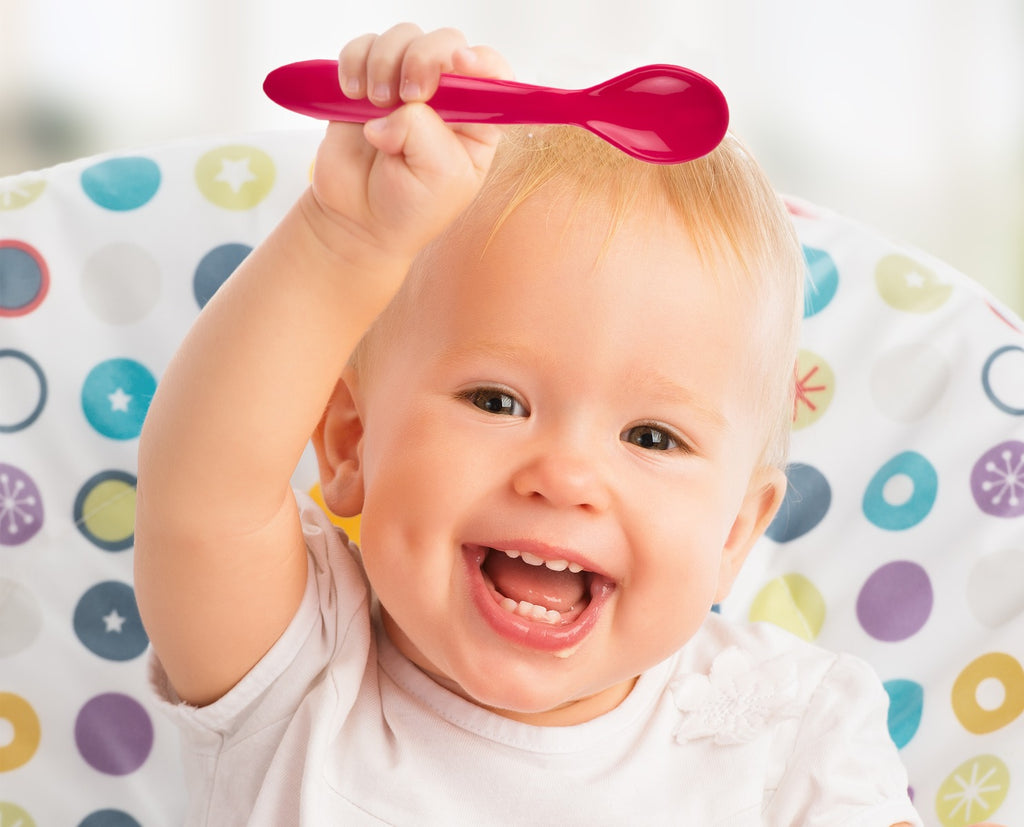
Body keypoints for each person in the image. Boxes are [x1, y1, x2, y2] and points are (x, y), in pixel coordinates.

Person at [134, 23, 922, 825]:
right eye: (497, 401)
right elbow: (204, 499)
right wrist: (346, 240)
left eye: (652, 437)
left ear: (733, 536)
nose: (566, 475)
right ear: (349, 440)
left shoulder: (792, 739)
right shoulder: (299, 670)